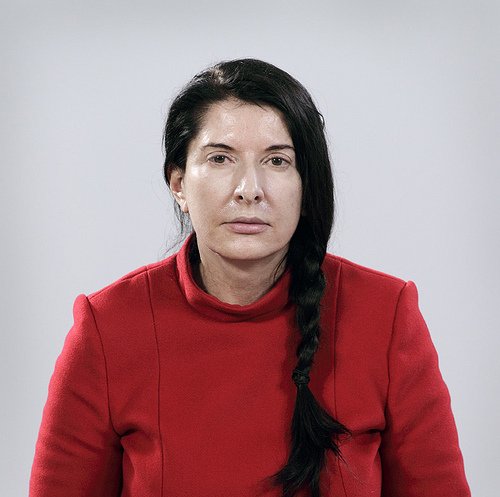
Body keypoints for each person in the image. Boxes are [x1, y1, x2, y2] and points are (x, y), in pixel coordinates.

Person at [29, 58, 471, 497]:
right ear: (179, 184)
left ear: (306, 185)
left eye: (277, 161)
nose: (249, 189)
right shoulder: (108, 327)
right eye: (220, 158)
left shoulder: (385, 315)